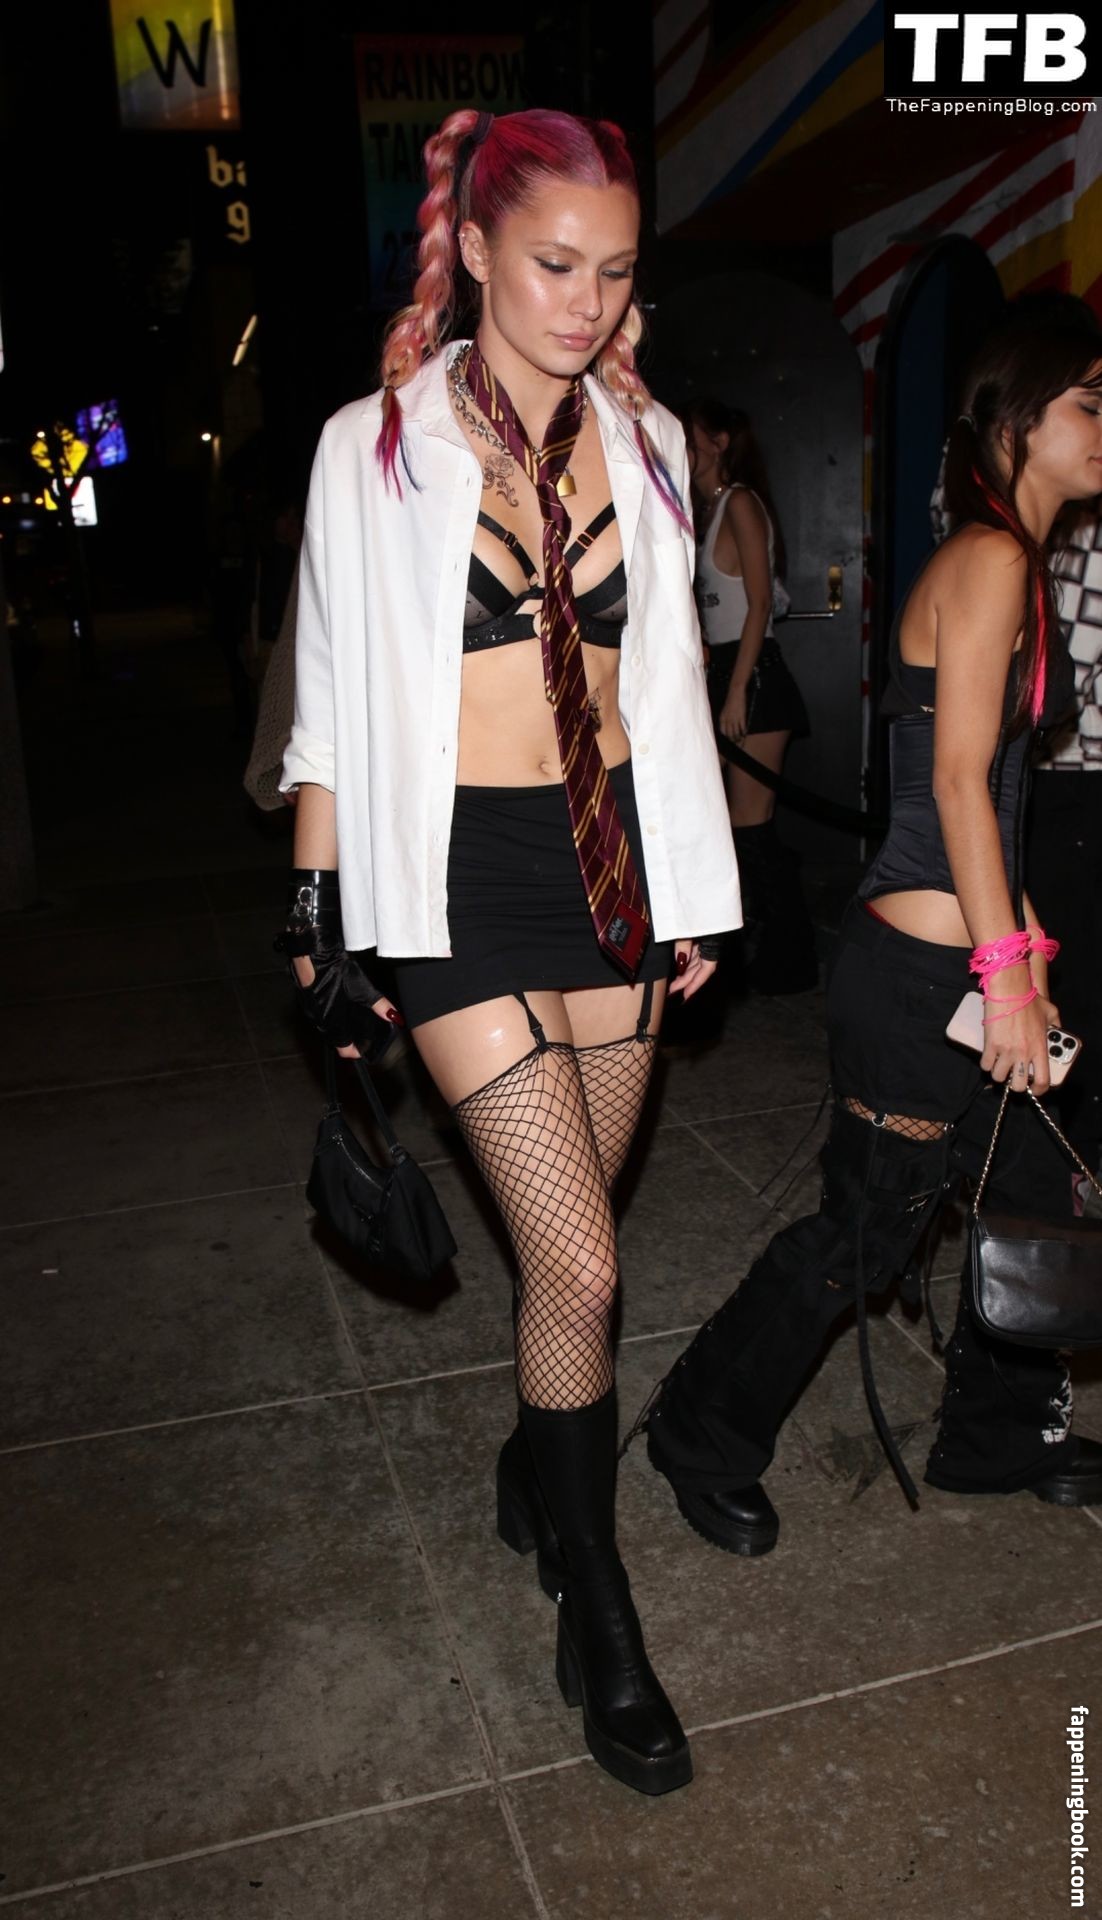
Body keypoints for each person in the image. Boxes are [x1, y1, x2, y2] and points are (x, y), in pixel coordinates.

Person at [275, 108, 741, 1795]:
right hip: (454, 882)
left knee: (566, 1263)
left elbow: (663, 696)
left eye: (614, 272)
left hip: (609, 878)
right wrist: (316, 915)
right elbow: (330, 703)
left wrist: (693, 890)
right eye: (553, 264)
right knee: (588, 1270)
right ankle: (596, 1607)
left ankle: (532, 1465)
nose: (585, 303)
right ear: (471, 248)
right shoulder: (370, 449)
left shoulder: (653, 441)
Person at [638, 321, 1102, 1553]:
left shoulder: (1014, 561)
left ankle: (995, 1436)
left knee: (1029, 1193)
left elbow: (995, 793)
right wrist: (1005, 981)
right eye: (1090, 402)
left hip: (966, 947)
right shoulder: (991, 558)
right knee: (865, 1232)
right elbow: (952, 786)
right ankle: (698, 1429)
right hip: (917, 971)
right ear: (1019, 420)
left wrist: (1027, 949)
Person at [686, 399, 817, 993]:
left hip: (754, 673)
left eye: (690, 438)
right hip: (721, 672)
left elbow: (760, 604)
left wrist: (737, 692)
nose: (681, 448)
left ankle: (788, 958)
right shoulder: (703, 509)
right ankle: (750, 952)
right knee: (722, 826)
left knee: (750, 826)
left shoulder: (739, 502)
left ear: (718, 442)